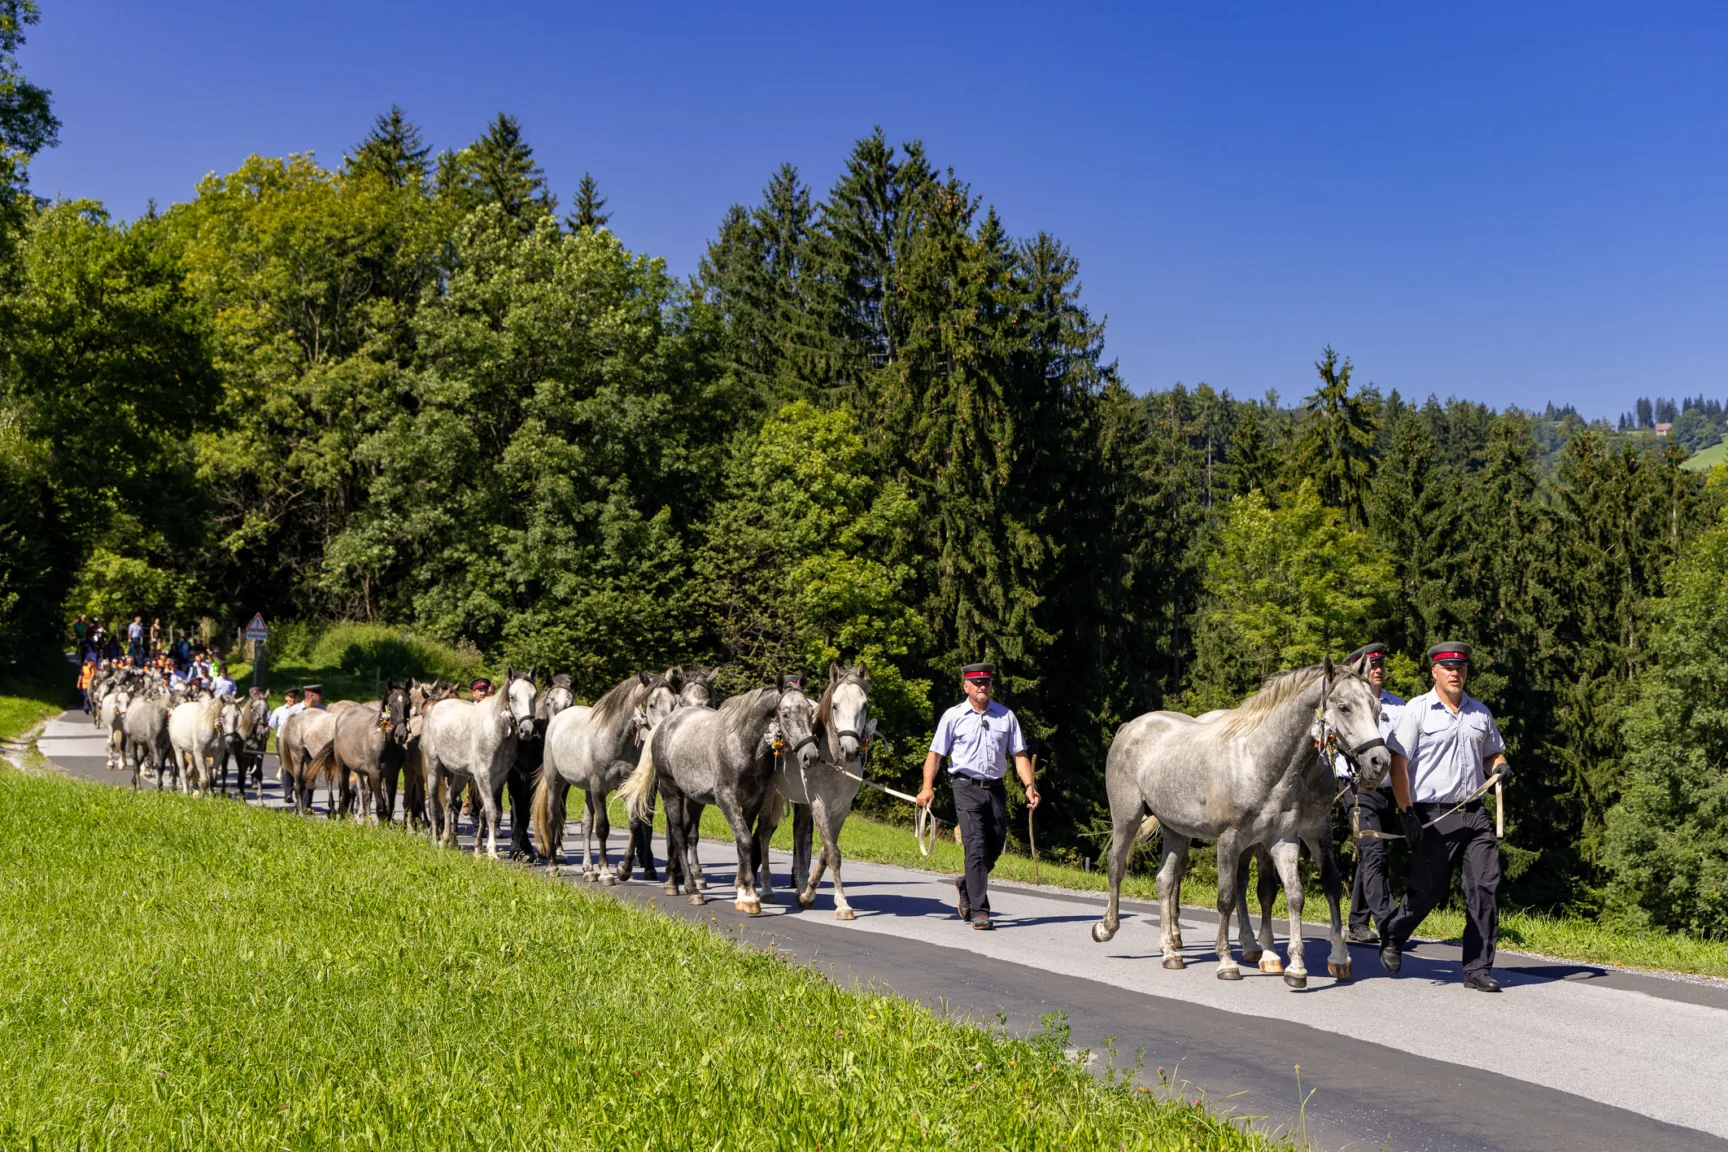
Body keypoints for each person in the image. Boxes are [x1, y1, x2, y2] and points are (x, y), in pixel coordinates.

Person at [1380, 642, 1512, 993]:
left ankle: (1477, 969)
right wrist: (1406, 812)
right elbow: (1398, 766)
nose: (1456, 673)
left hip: (1474, 815)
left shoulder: (1479, 714)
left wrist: (1500, 767)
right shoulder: (1417, 711)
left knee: (1485, 888)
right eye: (1449, 668)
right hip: (1432, 815)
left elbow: (1492, 754)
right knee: (1428, 891)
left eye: (1461, 668)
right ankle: (1393, 933)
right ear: (1435, 672)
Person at [916, 663, 1040, 931]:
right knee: (975, 845)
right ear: (966, 687)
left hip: (996, 788)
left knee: (995, 844)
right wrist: (927, 787)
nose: (982, 687)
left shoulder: (1006, 717)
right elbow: (935, 755)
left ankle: (965, 884)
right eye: (977, 683)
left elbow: (1019, 755)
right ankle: (980, 911)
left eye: (987, 682)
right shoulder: (953, 716)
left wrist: (1029, 785)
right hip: (965, 786)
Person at [1339, 642, 1405, 944]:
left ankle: (1357, 923)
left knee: (1371, 857)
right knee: (1373, 852)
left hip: (1389, 791)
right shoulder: (1344, 704)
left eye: (1380, 665)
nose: (1377, 670)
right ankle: (1391, 923)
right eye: (1370, 665)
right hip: (1356, 789)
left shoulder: (1399, 706)